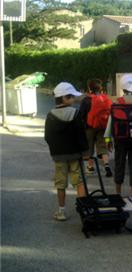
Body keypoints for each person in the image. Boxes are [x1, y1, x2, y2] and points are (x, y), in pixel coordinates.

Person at [44, 82, 88, 221]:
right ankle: (85, 210)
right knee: (79, 182)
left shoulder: (50, 115)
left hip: (59, 155)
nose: (74, 99)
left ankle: (61, 211)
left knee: (61, 183)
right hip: (75, 154)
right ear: (64, 98)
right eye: (71, 97)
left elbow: (48, 137)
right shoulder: (76, 113)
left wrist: (55, 149)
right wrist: (85, 151)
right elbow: (82, 134)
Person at [104, 74, 132, 209]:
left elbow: (111, 122)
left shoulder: (116, 103)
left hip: (120, 139)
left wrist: (108, 138)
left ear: (123, 89)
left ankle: (118, 195)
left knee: (119, 165)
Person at [80, 79, 112, 177]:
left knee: (89, 147)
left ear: (89, 88)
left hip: (89, 127)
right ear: (100, 88)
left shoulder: (86, 100)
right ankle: (107, 166)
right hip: (102, 126)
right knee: (102, 147)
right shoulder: (105, 98)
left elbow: (81, 115)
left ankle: (90, 167)